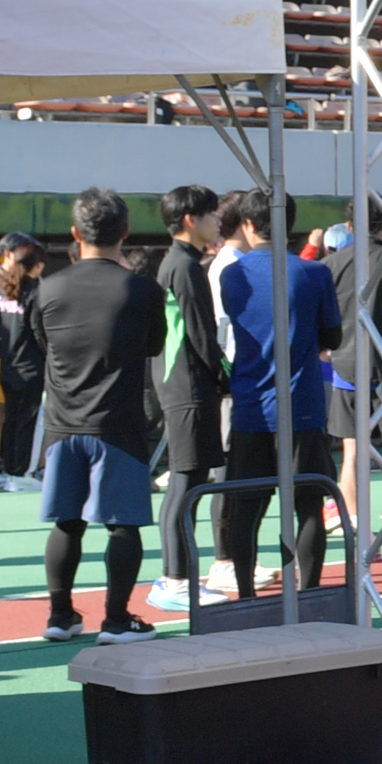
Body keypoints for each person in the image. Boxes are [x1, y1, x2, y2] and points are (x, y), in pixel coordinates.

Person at [28, 187, 171, 644]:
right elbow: (154, 346)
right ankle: (116, 618)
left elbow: (41, 342)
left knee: (66, 522)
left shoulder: (48, 287)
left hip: (62, 422)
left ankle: (60, 615)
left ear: (75, 233)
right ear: (125, 232)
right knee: (123, 524)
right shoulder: (142, 289)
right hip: (118, 422)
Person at [212, 192, 340, 604]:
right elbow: (333, 336)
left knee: (246, 508)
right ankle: (309, 592)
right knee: (308, 503)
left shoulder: (232, 275)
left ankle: (247, 594)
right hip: (303, 405)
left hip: (250, 407)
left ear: (248, 225)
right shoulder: (314, 273)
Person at [147, 185, 230, 615]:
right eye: (211, 214)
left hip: (181, 385)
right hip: (188, 387)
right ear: (189, 220)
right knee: (186, 481)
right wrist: (226, 375)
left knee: (186, 480)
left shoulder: (178, 263)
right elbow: (201, 332)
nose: (217, 221)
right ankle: (176, 579)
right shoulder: (184, 266)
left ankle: (175, 577)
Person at [0, 232, 49, 485]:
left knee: (14, 416)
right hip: (0, 355)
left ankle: (18, 467)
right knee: (1, 413)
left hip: (13, 356)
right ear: (8, 253)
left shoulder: (24, 285)